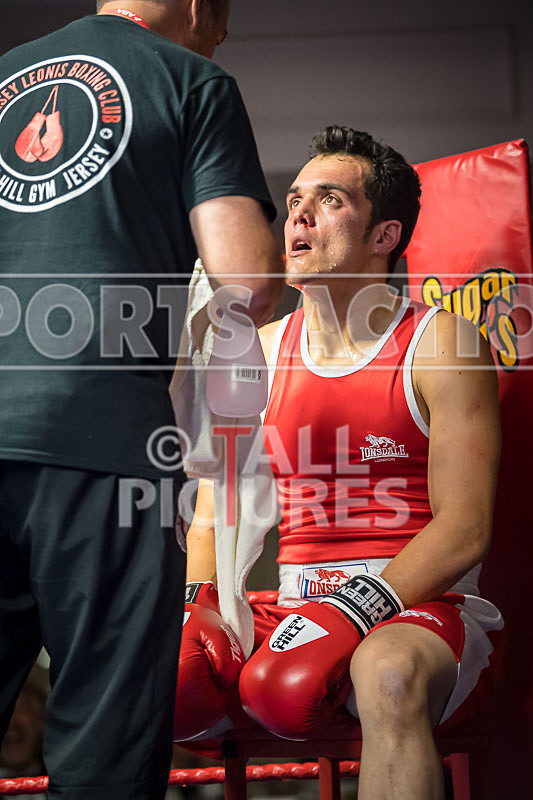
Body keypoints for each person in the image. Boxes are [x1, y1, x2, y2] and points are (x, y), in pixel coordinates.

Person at [0, 1, 282, 797]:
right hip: (98, 444)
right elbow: (248, 283)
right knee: (105, 748)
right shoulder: (191, 80)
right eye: (220, 21)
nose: (219, 37)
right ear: (199, 8)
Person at [176, 126, 504, 800]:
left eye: (328, 199)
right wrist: (197, 604)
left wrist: (356, 609)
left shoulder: (438, 340)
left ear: (383, 236)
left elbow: (465, 527)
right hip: (294, 608)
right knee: (158, 670)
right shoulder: (258, 352)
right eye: (295, 198)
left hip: (420, 608)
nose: (297, 214)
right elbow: (214, 513)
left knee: (385, 670)